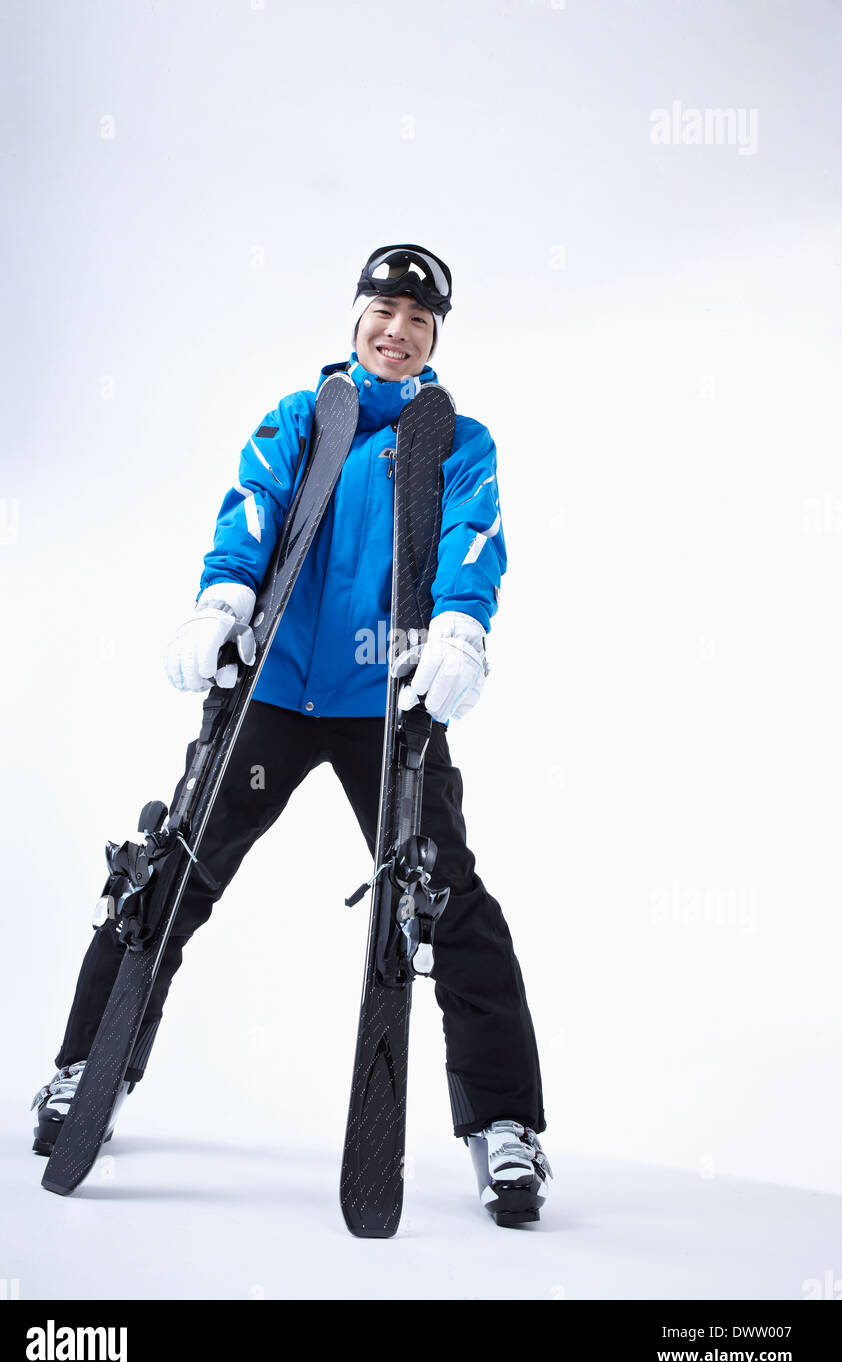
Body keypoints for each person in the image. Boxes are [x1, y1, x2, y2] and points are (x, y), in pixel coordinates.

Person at [31, 244, 552, 1226]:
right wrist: (220, 601)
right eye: (381, 310)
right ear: (355, 315)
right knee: (167, 876)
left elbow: (470, 539)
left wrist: (459, 629)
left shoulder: (459, 439)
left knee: (448, 904)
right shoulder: (298, 419)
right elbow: (254, 508)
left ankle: (505, 1129)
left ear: (435, 335)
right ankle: (82, 1073)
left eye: (416, 319)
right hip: (271, 695)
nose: (395, 330)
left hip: (385, 711)